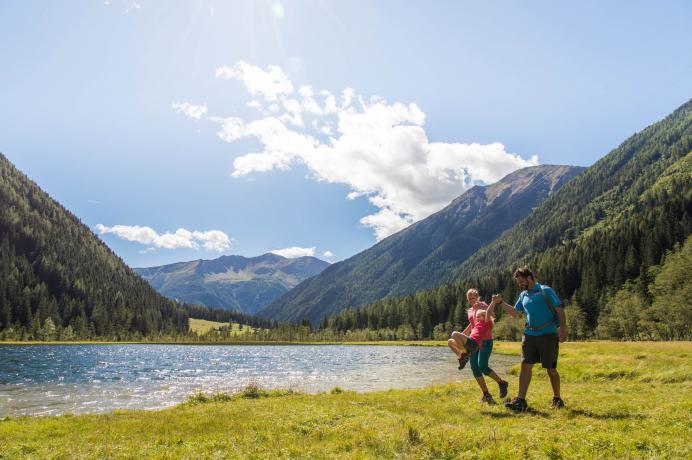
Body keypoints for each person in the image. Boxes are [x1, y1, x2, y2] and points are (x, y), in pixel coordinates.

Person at [492, 266, 568, 411]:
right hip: (529, 335)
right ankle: (521, 400)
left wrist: (563, 328)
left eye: (521, 281)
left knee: (550, 368)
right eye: (518, 283)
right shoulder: (523, 295)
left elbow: (559, 309)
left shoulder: (545, 291)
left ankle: (557, 398)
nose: (520, 285)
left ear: (529, 278)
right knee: (525, 366)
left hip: (548, 334)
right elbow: (515, 313)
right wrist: (500, 302)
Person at [448, 289, 509, 404]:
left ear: (478, 297)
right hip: (474, 339)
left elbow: (492, 316)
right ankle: (486, 394)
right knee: (475, 368)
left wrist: (484, 307)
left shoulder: (483, 305)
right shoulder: (470, 310)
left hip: (485, 341)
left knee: (483, 366)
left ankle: (501, 383)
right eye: (469, 298)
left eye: (473, 297)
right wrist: (462, 336)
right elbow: (472, 325)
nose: (472, 300)